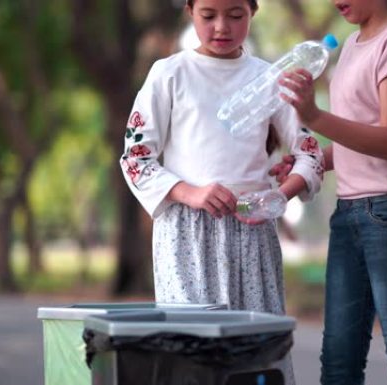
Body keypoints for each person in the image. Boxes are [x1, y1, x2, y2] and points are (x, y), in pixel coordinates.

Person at [119, 0, 324, 383]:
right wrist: (189, 193)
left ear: (253, 12)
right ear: (189, 11)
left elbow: (309, 153)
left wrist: (283, 194)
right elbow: (136, 157)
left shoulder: (270, 79)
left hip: (253, 234)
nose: (221, 27)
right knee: (191, 352)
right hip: (186, 238)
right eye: (208, 15)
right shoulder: (169, 74)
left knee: (257, 350)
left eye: (235, 15)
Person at [272, 0, 387, 384]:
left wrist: (314, 117)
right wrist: (311, 160)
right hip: (351, 212)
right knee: (338, 362)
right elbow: (358, 135)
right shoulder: (351, 45)